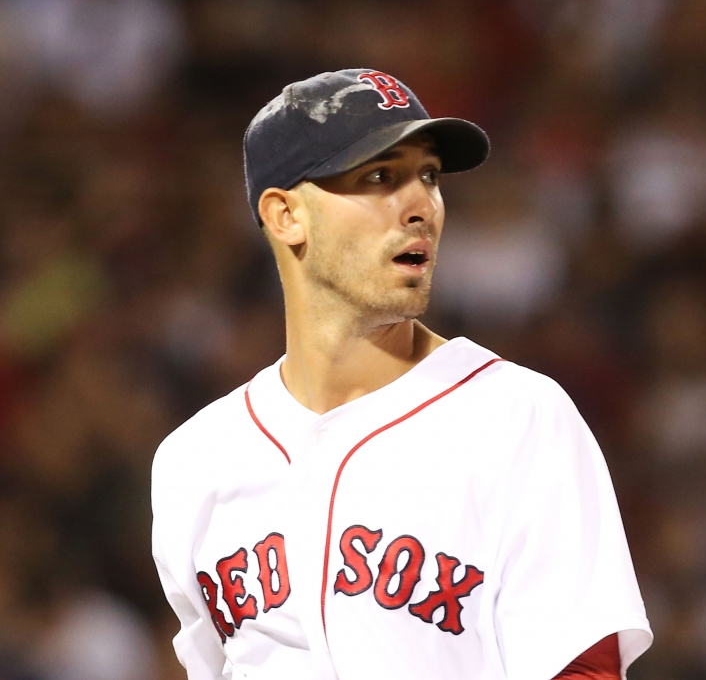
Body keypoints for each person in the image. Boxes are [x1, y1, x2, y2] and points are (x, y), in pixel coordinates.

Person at [151, 69, 652, 680]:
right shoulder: (195, 460)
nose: (421, 207)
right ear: (285, 216)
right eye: (380, 177)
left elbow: (582, 670)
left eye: (430, 177)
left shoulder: (516, 417)